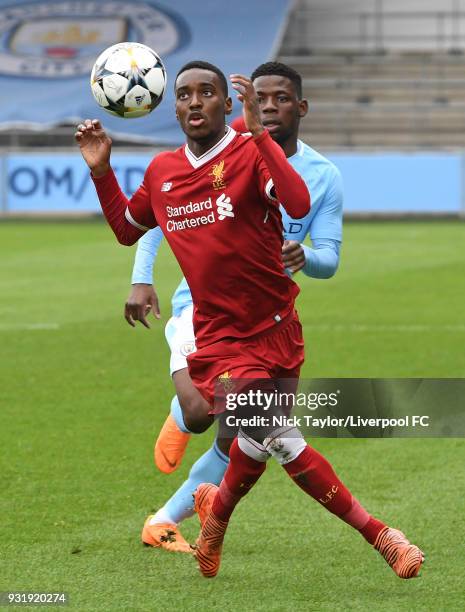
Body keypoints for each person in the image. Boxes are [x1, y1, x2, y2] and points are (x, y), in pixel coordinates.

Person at [74, 60, 423, 581]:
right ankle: (381, 535)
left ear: (225, 104)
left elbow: (299, 201)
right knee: (280, 435)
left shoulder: (246, 152)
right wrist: (102, 171)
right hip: (222, 338)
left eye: (207, 93)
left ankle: (214, 521)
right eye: (185, 95)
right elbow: (129, 227)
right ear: (173, 106)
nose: (195, 102)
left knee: (254, 443)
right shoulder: (163, 172)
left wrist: (258, 135)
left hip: (280, 323)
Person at [126, 62, 343, 554]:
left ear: (301, 108)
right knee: (210, 413)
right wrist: (142, 276)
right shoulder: (228, 149)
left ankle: (163, 519)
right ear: (241, 107)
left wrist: (306, 257)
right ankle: (184, 412)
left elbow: (329, 258)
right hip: (201, 311)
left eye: (280, 98)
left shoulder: (324, 175)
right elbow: (162, 212)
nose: (267, 106)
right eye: (259, 98)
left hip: (266, 320)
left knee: (244, 440)